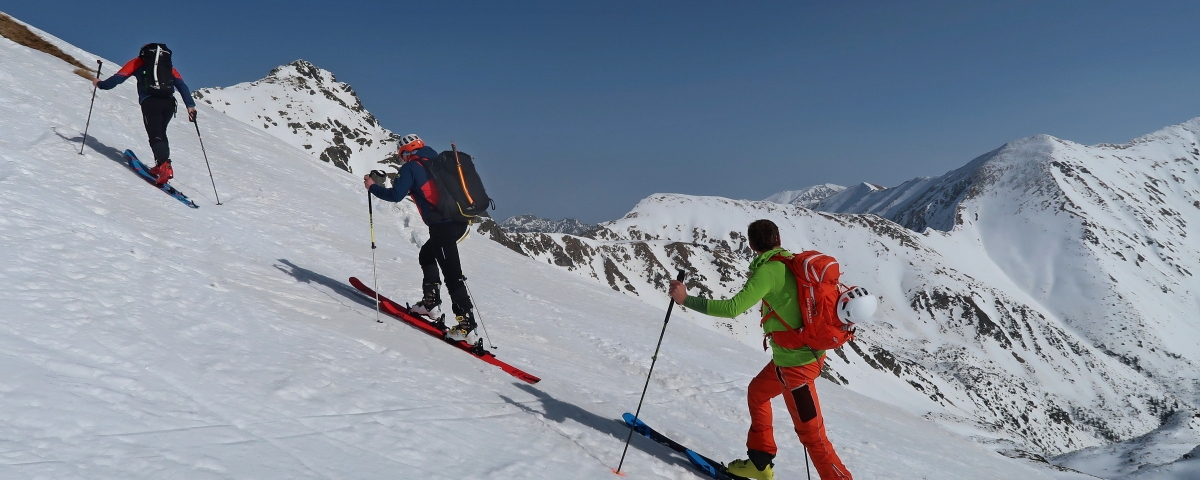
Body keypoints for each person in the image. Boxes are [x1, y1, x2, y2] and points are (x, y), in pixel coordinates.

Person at [668, 219, 853, 480]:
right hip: (790, 360)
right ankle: (759, 462)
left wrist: (685, 299)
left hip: (797, 370)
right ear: (778, 238)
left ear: (752, 244)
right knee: (757, 393)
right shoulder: (794, 263)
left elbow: (733, 308)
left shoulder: (768, 272)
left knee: (813, 438)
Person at [363, 134, 477, 341]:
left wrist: (372, 187)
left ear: (406, 152)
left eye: (402, 156)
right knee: (427, 255)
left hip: (443, 226)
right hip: (459, 222)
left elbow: (396, 195)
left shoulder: (411, 167)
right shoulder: (437, 162)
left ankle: (466, 326)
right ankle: (430, 305)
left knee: (452, 275)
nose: (402, 160)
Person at [93, 43, 197, 185]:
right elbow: (182, 86)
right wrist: (190, 106)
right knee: (161, 133)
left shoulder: (137, 62)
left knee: (155, 135)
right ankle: (160, 164)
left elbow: (118, 79)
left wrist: (100, 84)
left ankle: (164, 167)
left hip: (150, 102)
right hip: (169, 104)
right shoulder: (169, 67)